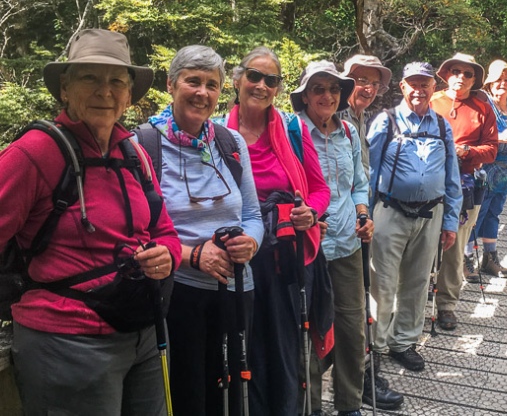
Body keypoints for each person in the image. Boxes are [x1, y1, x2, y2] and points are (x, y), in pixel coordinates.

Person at [0, 28, 182, 416]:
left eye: (117, 80)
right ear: (64, 88)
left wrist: (167, 254)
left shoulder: (134, 153)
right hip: (66, 341)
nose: (105, 91)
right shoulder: (34, 153)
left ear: (130, 94)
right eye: (90, 78)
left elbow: (164, 229)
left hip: (142, 332)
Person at [137, 45, 264, 416]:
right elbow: (139, 232)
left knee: (234, 390)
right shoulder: (143, 146)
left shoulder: (230, 142)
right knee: (189, 393)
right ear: (171, 85)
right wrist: (193, 255)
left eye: (212, 84)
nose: (203, 93)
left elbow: (253, 213)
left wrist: (251, 242)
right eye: (193, 81)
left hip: (237, 288)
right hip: (178, 292)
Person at [225, 46, 330, 416]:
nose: (261, 85)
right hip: (240, 256)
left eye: (271, 80)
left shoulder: (292, 129)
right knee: (245, 346)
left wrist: (310, 213)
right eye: (254, 76)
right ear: (237, 80)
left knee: (285, 347)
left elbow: (320, 189)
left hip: (288, 257)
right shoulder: (217, 134)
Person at [290, 60, 374, 416]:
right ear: (305, 95)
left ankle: (349, 404)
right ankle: (310, 408)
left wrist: (364, 214)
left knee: (352, 328)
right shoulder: (292, 131)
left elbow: (358, 183)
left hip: (348, 245)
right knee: (309, 330)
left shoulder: (349, 132)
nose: (327, 95)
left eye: (334, 89)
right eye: (318, 89)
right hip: (309, 250)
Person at [367, 62, 462, 371]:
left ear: (433, 88)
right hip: (390, 211)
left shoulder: (442, 125)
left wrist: (450, 222)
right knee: (382, 282)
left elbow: (452, 178)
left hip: (430, 214)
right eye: (414, 84)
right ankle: (376, 346)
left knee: (418, 281)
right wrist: (364, 215)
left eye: (425, 84)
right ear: (403, 87)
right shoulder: (386, 121)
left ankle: (403, 342)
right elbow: (370, 172)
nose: (419, 89)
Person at [340, 54, 404, 409]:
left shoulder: (360, 117)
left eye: (373, 82)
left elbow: (363, 174)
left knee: (357, 306)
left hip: (358, 223)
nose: (367, 88)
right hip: (336, 231)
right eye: (360, 80)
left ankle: (361, 375)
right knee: (349, 310)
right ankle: (358, 380)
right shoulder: (335, 116)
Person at [431, 53, 498, 330]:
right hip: (428, 182)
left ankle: (447, 304)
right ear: (446, 73)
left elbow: (492, 148)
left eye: (468, 73)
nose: (461, 76)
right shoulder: (431, 100)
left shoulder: (482, 107)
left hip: (466, 184)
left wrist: (466, 151)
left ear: (474, 79)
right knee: (422, 244)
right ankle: (416, 299)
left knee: (455, 246)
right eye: (455, 70)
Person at [464, 59, 507, 277]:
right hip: (486, 171)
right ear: (489, 83)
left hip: (506, 172)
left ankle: (490, 259)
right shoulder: (484, 104)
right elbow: (475, 135)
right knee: (476, 216)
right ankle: (466, 260)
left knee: (494, 214)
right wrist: (500, 138)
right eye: (498, 79)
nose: (503, 84)